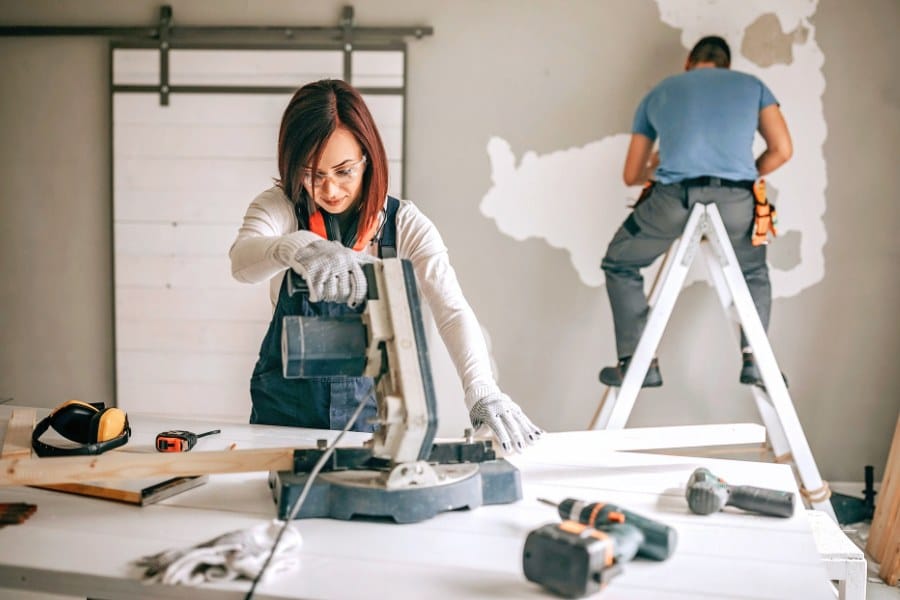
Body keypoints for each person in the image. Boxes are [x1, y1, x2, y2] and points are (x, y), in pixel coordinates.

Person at [229, 79, 542, 452]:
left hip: (367, 410)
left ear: (368, 159)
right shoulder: (279, 206)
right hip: (282, 413)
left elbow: (452, 310)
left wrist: (482, 390)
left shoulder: (404, 224)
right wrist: (299, 247)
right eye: (313, 174)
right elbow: (242, 260)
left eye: (344, 171)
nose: (329, 190)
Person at [599, 35, 793, 388]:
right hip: (736, 201)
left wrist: (659, 166)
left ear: (689, 62)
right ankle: (755, 359)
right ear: (726, 65)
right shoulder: (752, 86)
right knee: (752, 272)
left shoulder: (660, 91)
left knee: (620, 262)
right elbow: (782, 150)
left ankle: (637, 361)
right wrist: (743, 173)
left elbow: (631, 174)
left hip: (675, 200)